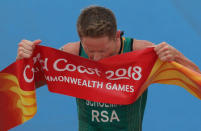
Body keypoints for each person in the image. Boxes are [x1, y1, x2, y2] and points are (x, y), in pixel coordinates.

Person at [16, 6, 200, 131]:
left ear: (116, 36)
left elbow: (197, 81)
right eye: (90, 51)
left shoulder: (141, 51)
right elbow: (26, 86)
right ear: (80, 40)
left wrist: (177, 56)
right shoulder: (70, 54)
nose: (96, 58)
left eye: (103, 51)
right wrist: (24, 61)